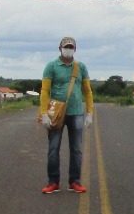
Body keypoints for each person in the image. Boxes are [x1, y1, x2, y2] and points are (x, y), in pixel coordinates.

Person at [39, 36, 94, 194]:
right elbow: (44, 91)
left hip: (76, 112)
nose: (68, 49)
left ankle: (74, 181)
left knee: (76, 148)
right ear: (60, 48)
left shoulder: (81, 67)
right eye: (66, 46)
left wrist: (90, 112)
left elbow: (87, 91)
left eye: (71, 47)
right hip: (56, 113)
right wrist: (44, 113)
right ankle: (53, 182)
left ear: (75, 49)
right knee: (53, 148)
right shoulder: (51, 66)